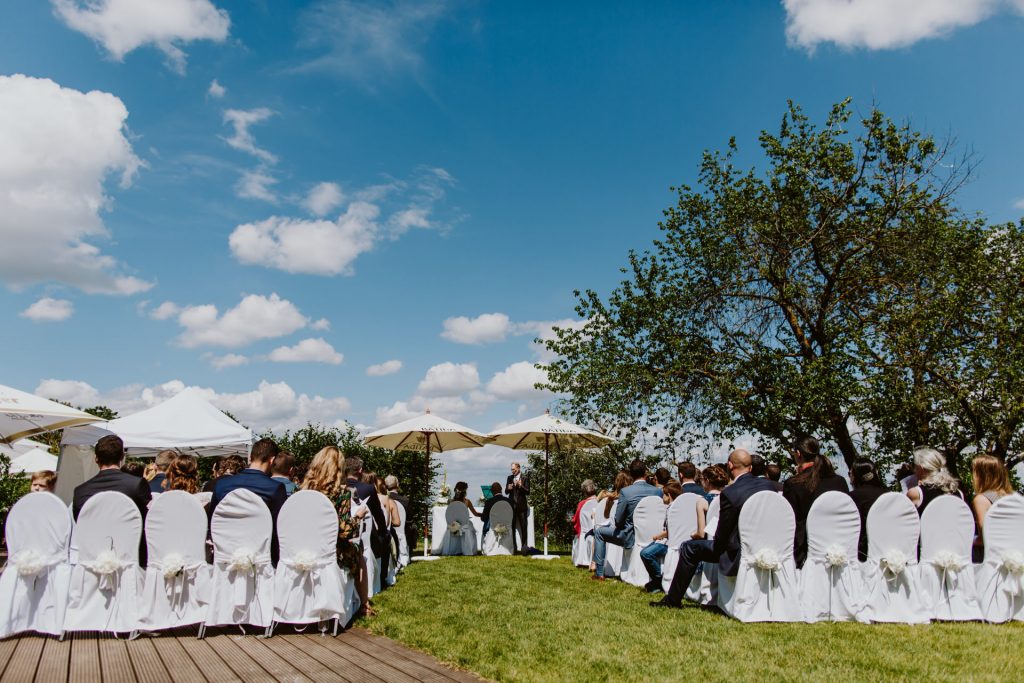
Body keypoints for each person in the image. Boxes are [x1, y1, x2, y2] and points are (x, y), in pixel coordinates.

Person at [653, 449, 776, 608]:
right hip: (765, 545)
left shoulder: (731, 493)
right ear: (750, 468)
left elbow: (721, 538)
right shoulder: (769, 487)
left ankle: (672, 600)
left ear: (730, 465)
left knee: (689, 548)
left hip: (737, 550)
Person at [302, 446, 372, 616]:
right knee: (359, 552)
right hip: (332, 551)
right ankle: (365, 605)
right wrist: (358, 517)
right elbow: (346, 532)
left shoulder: (302, 491)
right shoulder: (340, 493)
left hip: (303, 547)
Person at [72, 435, 151, 565]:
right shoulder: (137, 485)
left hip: (94, 560)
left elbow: (81, 524)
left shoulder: (81, 491)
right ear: (122, 457)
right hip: (132, 560)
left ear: (96, 458)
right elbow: (145, 521)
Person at [208, 438, 288, 565]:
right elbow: (279, 530)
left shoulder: (222, 485)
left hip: (225, 558)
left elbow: (212, 523)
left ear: (250, 458)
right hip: (260, 560)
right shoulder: (275, 488)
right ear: (272, 460)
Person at [782, 435, 850, 568]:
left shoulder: (793, 483)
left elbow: (790, 522)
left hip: (807, 553)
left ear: (798, 453)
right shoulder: (839, 481)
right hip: (840, 547)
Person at [592, 459, 662, 581]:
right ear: (645, 473)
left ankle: (599, 573)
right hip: (654, 536)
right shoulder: (657, 491)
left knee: (599, 532)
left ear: (632, 474)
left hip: (630, 536)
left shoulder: (626, 492)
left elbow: (618, 521)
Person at [346, 456, 389, 571]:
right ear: (360, 470)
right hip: (363, 533)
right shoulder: (368, 489)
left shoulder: (337, 487)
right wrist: (384, 531)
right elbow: (377, 513)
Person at [640, 480, 683, 592]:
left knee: (646, 553)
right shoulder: (677, 507)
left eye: (664, 494)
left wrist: (658, 536)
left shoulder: (671, 509)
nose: (662, 496)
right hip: (669, 539)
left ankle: (657, 580)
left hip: (669, 542)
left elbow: (670, 531)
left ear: (668, 496)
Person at [971, 454, 1014, 560]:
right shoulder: (1012, 498)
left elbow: (986, 536)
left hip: (990, 558)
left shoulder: (981, 499)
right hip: (1012, 553)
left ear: (981, 475)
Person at [848, 459, 887, 561]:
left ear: (856, 476)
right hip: (887, 549)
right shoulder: (888, 494)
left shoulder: (852, 497)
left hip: (863, 553)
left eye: (850, 474)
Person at [907, 446, 963, 515]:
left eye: (914, 466)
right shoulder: (957, 492)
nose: (914, 470)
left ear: (921, 468)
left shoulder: (916, 493)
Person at [692, 464, 729, 540]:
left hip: (711, 543)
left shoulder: (702, 502)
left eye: (702, 479)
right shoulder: (728, 498)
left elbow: (701, 534)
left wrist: (693, 534)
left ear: (707, 481)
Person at [385, 475, 417, 553]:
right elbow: (410, 518)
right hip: (404, 531)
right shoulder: (405, 500)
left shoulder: (382, 499)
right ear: (397, 485)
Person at [506, 462, 531, 555]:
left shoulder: (525, 478)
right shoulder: (509, 478)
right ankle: (514, 548)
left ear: (519, 468)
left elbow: (528, 492)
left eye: (514, 469)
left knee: (524, 528)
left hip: (522, 507)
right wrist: (509, 488)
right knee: (511, 528)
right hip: (511, 506)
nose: (512, 471)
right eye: (511, 469)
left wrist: (521, 486)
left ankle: (524, 549)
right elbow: (506, 491)